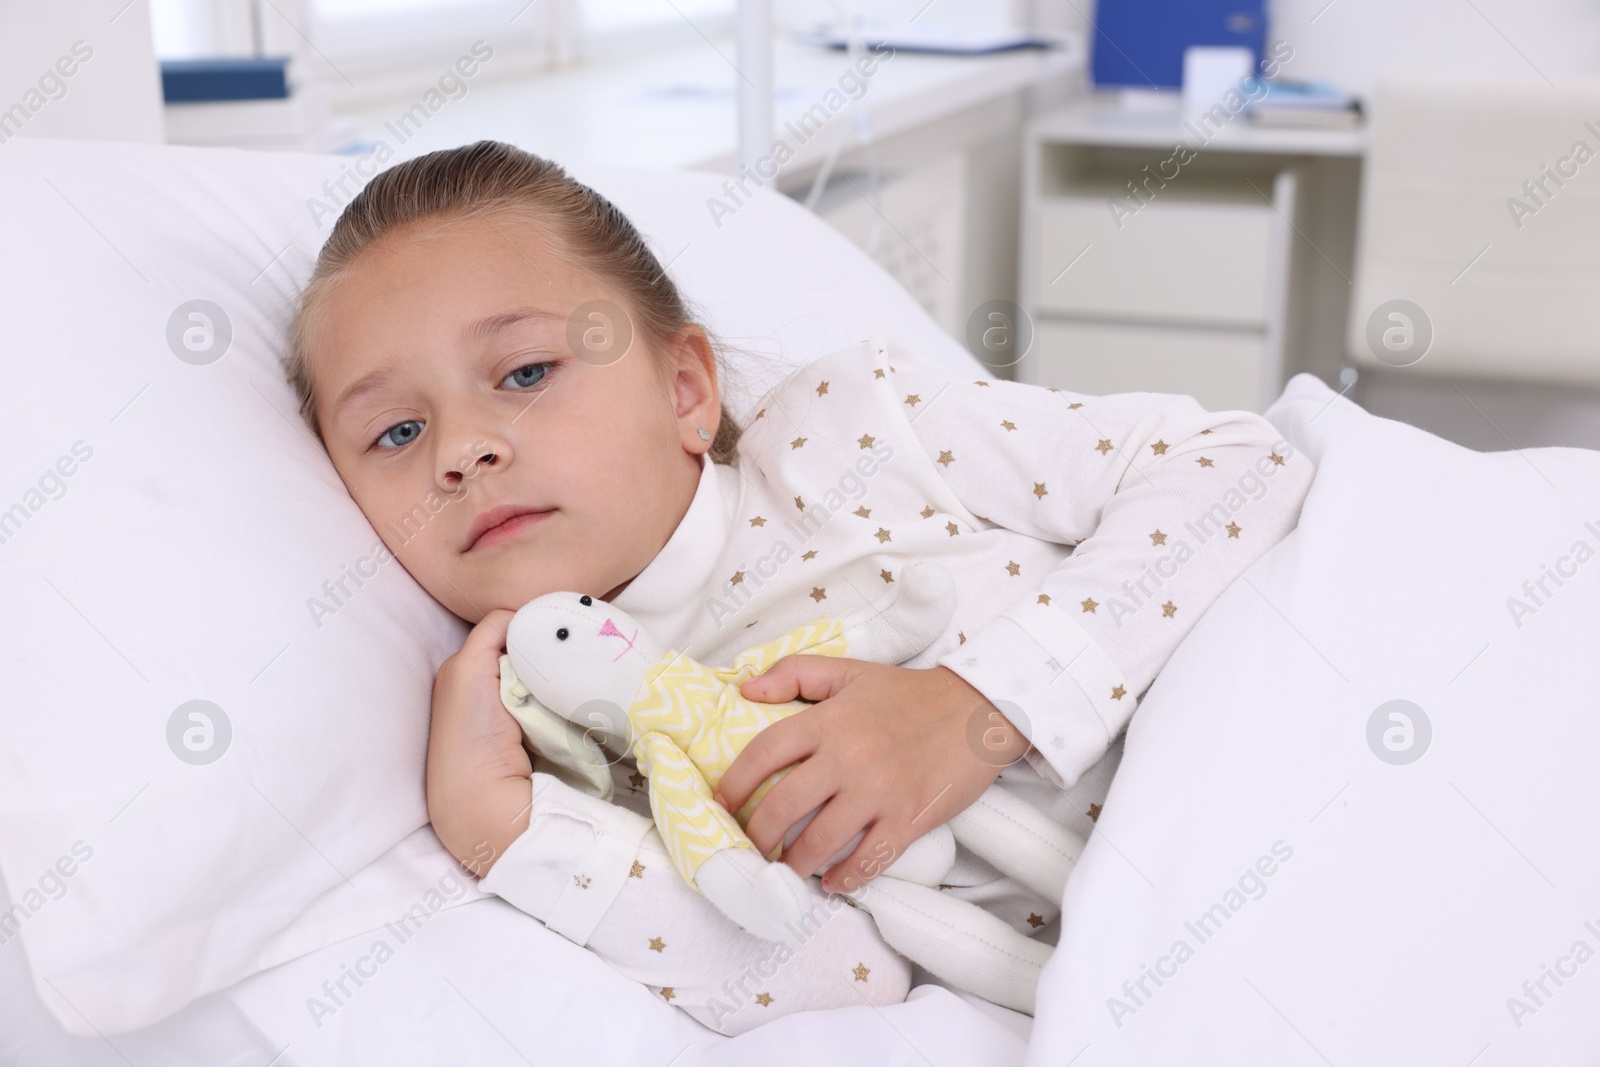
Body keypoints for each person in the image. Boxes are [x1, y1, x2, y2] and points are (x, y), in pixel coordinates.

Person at [280, 139, 1315, 1032]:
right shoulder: (581, 750)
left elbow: (1238, 466)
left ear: (685, 388)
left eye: (523, 372)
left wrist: (974, 711)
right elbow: (847, 979)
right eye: (397, 433)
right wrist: (505, 830)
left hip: (1291, 782)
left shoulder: (844, 430)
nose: (459, 449)